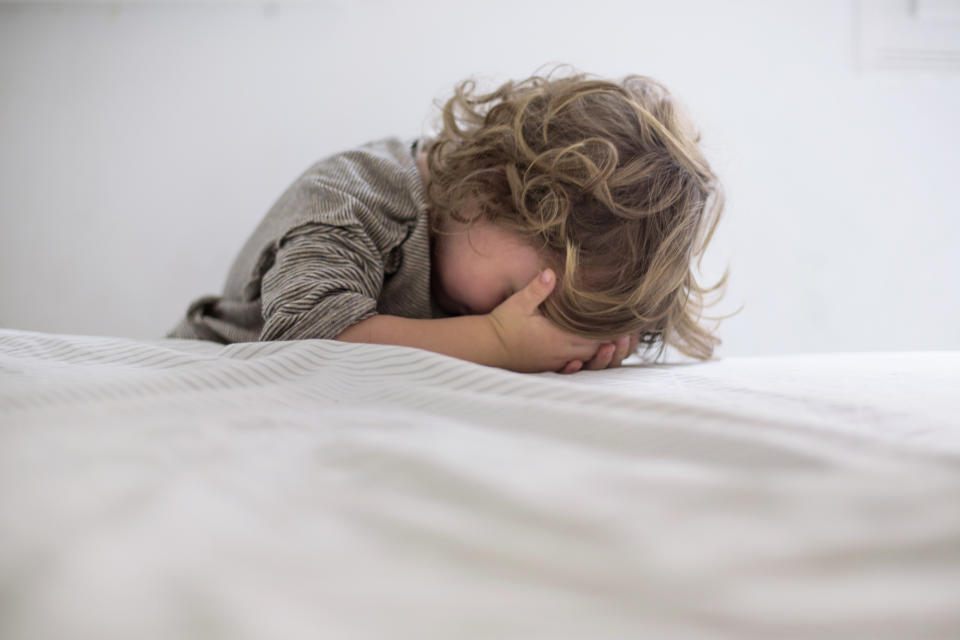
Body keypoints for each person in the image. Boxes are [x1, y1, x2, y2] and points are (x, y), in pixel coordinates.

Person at [168, 64, 733, 374]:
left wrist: (584, 345)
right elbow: (303, 339)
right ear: (486, 189)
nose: (514, 316)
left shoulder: (483, 251)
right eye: (520, 294)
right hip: (206, 363)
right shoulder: (358, 193)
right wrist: (496, 342)